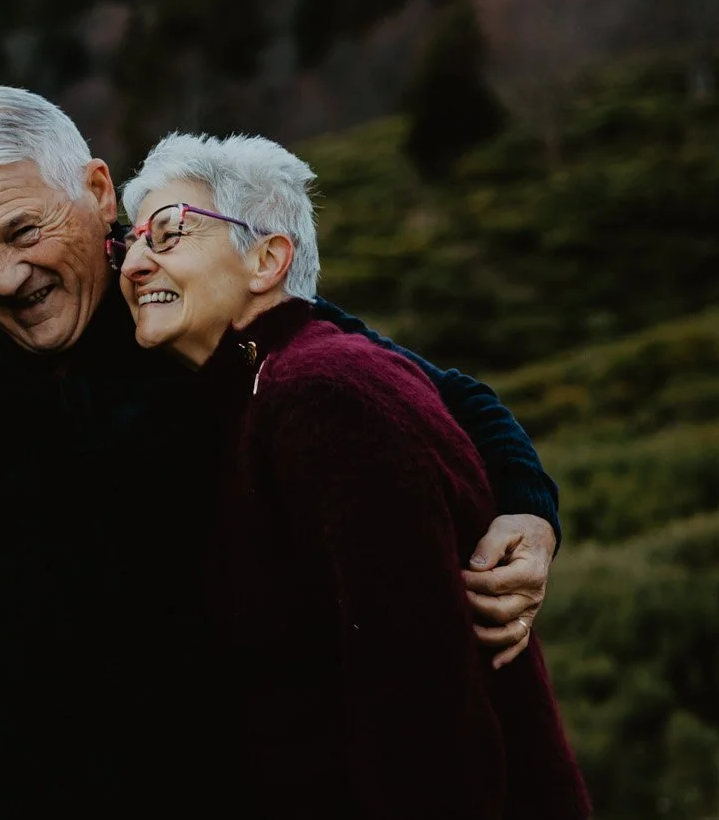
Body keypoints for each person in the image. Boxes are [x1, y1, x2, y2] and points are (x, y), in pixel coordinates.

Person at [0, 86, 563, 812]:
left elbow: (432, 389)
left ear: (99, 193)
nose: (4, 278)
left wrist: (528, 512)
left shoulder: (189, 306)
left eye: (24, 230)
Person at [116, 131, 589, 817]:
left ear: (267, 257)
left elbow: (420, 712)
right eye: (129, 241)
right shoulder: (262, 383)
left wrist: (533, 506)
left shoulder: (324, 392)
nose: (133, 263)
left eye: (167, 233)